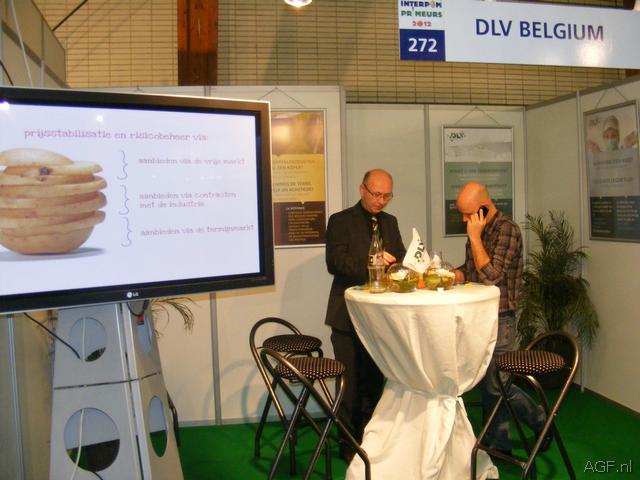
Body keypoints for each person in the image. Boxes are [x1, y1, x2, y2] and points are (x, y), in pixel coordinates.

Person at [453, 181, 549, 456]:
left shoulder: (507, 230)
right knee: (489, 385)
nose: (464, 220)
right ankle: (499, 444)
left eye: (468, 214)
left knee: (499, 386)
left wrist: (474, 238)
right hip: (479, 317)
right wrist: (452, 274)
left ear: (483, 208)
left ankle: (540, 420)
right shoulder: (479, 228)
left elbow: (491, 276)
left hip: (501, 318)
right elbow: (473, 270)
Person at [324, 168, 406, 463]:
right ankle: (347, 443)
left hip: (380, 319)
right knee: (349, 385)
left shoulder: (390, 222)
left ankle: (371, 440)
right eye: (376, 194)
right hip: (346, 316)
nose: (381, 201)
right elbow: (335, 262)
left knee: (373, 382)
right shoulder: (341, 221)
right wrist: (373, 264)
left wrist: (395, 267)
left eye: (387, 196)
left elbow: (400, 258)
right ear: (362, 190)